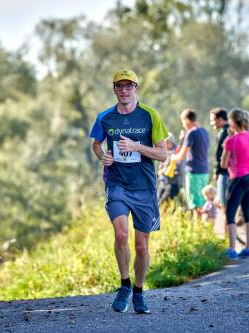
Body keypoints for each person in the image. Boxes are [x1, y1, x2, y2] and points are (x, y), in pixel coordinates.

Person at [90, 69, 168, 314]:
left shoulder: (150, 115)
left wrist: (136, 146)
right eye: (119, 86)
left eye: (128, 86)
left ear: (137, 88)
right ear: (114, 89)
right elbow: (96, 144)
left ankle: (138, 291)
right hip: (117, 185)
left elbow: (163, 154)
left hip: (144, 187)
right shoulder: (104, 117)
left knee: (142, 246)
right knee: (121, 235)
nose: (124, 90)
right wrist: (103, 156)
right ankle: (124, 285)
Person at [221, 109, 249, 259]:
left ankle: (231, 250)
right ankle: (248, 249)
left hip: (238, 178)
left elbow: (224, 164)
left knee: (230, 213)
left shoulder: (230, 140)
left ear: (231, 122)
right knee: (247, 212)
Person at [173, 108, 210, 221]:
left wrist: (172, 157)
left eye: (183, 121)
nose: (183, 124)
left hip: (194, 172)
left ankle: (197, 229)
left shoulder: (191, 133)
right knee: (203, 200)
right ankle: (205, 228)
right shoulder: (204, 131)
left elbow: (182, 155)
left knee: (195, 203)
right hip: (205, 171)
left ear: (187, 120)